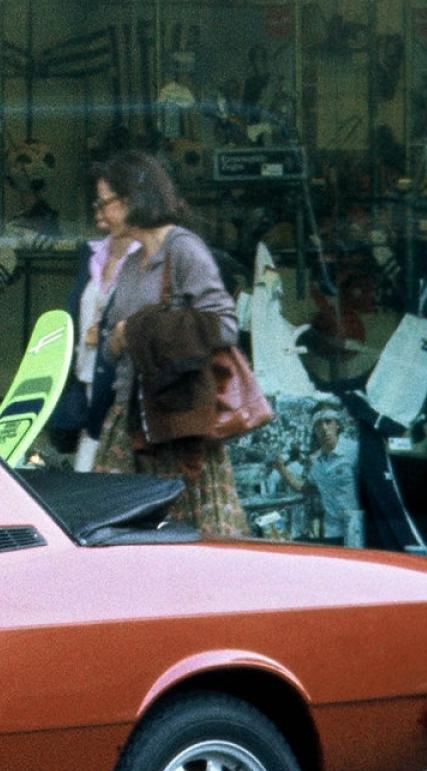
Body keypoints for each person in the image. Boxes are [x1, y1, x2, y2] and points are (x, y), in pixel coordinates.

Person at [92, 150, 248, 537]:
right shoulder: (131, 264)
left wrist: (140, 330)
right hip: (130, 418)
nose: (100, 213)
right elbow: (117, 339)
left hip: (175, 418)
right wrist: (117, 340)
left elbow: (224, 324)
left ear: (132, 200)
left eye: (105, 202)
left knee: (184, 537)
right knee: (116, 531)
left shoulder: (183, 249)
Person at [65, 193, 140, 472]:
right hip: (85, 376)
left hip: (122, 386)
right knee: (86, 463)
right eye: (95, 201)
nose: (97, 209)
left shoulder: (146, 258)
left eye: (106, 202)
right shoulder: (91, 254)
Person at [277, 410, 360, 545]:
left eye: (328, 422)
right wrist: (281, 468)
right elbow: (303, 487)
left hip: (356, 527)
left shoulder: (354, 451)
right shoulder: (316, 462)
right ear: (315, 431)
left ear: (337, 425)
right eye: (318, 425)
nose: (324, 428)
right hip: (332, 530)